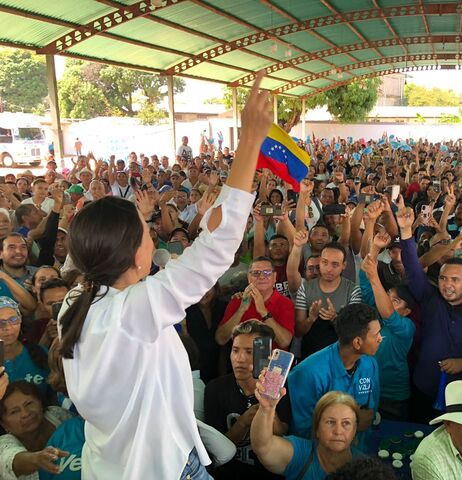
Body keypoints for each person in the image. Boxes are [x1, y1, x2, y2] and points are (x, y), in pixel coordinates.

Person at [57, 72, 273, 479]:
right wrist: (249, 142)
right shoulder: (133, 311)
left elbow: (203, 249)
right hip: (161, 469)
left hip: (113, 464)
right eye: (146, 231)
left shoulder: (79, 299)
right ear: (133, 256)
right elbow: (218, 249)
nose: (153, 235)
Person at [397, 205, 462, 423]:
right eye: (444, 279)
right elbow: (414, 271)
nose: (447, 285)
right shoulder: (431, 300)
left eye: (455, 280)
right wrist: (406, 233)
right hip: (424, 390)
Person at [204, 321, 290, 479]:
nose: (240, 359)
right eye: (235, 350)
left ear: (265, 355)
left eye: (249, 352)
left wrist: (268, 408)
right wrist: (243, 423)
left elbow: (283, 433)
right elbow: (214, 450)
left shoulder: (281, 388)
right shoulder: (215, 389)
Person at [287, 303, 381, 438]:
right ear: (357, 343)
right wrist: (354, 423)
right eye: (376, 334)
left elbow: (370, 413)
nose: (380, 338)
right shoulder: (308, 373)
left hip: (359, 450)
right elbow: (303, 431)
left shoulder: (370, 364)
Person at [359, 233, 415, 420]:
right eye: (388, 297)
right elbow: (365, 281)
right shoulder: (376, 314)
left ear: (407, 311)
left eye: (396, 301)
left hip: (394, 396)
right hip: (368, 388)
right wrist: (374, 249)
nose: (389, 303)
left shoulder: (407, 327)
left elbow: (388, 314)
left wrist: (375, 278)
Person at [251, 389, 362, 480]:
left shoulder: (365, 467)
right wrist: (266, 409)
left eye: (346, 423)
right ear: (317, 427)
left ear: (354, 430)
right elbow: (263, 447)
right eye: (330, 422)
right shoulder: (301, 454)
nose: (338, 431)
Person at [295, 242, 362, 359]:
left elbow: (353, 332)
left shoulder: (352, 290)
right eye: (324, 262)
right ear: (320, 261)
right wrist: (311, 319)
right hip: (310, 357)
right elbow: (298, 332)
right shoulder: (305, 288)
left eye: (335, 264)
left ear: (344, 265)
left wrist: (335, 318)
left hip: (340, 357)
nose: (329, 269)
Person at [215, 256, 295, 350]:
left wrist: (263, 312)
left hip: (273, 362)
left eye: (267, 273)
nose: (261, 276)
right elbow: (220, 339)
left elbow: (284, 342)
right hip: (242, 361)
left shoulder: (286, 303)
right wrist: (241, 309)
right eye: (256, 273)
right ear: (249, 278)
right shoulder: (237, 300)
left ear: (274, 277)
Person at [0, 381, 75, 479]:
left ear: (40, 402)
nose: (25, 413)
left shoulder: (57, 415)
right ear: (3, 423)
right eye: (14, 412)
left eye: (29, 403)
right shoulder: (3, 443)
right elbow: (11, 460)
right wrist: (36, 459)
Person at [0, 297, 51, 396]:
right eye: (0, 323)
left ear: (20, 320)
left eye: (13, 320)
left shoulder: (39, 353)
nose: (8, 327)